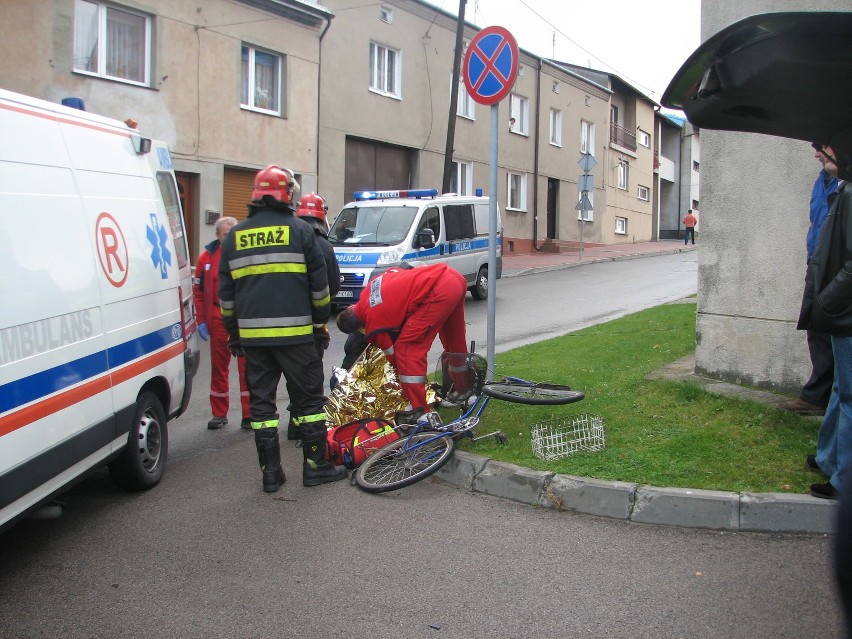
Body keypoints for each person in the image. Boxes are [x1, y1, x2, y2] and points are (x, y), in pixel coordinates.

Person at [219, 165, 346, 491]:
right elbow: (321, 291)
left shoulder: (235, 236)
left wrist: (233, 333)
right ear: (287, 195)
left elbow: (227, 296)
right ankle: (316, 467)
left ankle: (271, 474)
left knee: (262, 408)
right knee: (309, 403)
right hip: (297, 338)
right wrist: (319, 324)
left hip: (253, 341)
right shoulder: (302, 233)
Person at [336, 263, 469, 418]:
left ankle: (421, 412)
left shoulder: (373, 324)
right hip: (452, 277)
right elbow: (397, 271)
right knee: (454, 339)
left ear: (359, 328)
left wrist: (402, 378)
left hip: (438, 292)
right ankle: (464, 390)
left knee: (407, 351)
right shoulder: (372, 285)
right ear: (351, 307)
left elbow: (393, 356)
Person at [797, 145, 852, 500]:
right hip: (835, 306)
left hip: (843, 307)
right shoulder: (840, 185)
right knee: (839, 388)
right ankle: (828, 458)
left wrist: (827, 298)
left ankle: (843, 481)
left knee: (849, 396)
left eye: (824, 148)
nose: (818, 155)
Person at [780, 147, 840, 416]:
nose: (817, 155)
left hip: (837, 268)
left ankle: (830, 397)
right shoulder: (822, 179)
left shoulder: (844, 185)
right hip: (817, 264)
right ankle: (818, 396)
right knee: (817, 330)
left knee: (837, 334)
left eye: (823, 149)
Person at [285, 192, 340, 440]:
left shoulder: (289, 239)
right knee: (309, 378)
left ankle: (293, 424)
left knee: (290, 376)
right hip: (312, 324)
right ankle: (308, 433)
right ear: (322, 217)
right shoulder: (324, 246)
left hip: (283, 320)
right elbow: (333, 285)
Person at [193, 216, 252, 431]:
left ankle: (249, 414)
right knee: (219, 368)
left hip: (242, 318)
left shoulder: (245, 253)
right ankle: (219, 413)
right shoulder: (206, 258)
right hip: (218, 318)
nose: (230, 237)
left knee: (247, 368)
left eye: (233, 233)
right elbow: (198, 292)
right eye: (227, 234)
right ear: (218, 235)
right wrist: (201, 320)